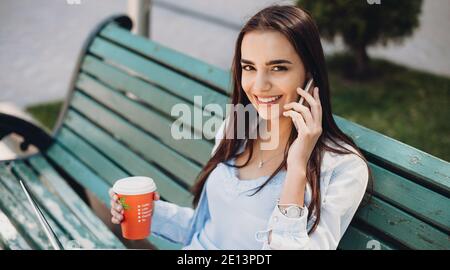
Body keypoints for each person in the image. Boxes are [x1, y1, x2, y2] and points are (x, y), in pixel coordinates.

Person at [109, 4, 370, 250]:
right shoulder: (236, 130)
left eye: (278, 68)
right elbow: (210, 228)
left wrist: (297, 167)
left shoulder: (342, 168)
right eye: (249, 67)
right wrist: (149, 213)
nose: (259, 85)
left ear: (310, 74)